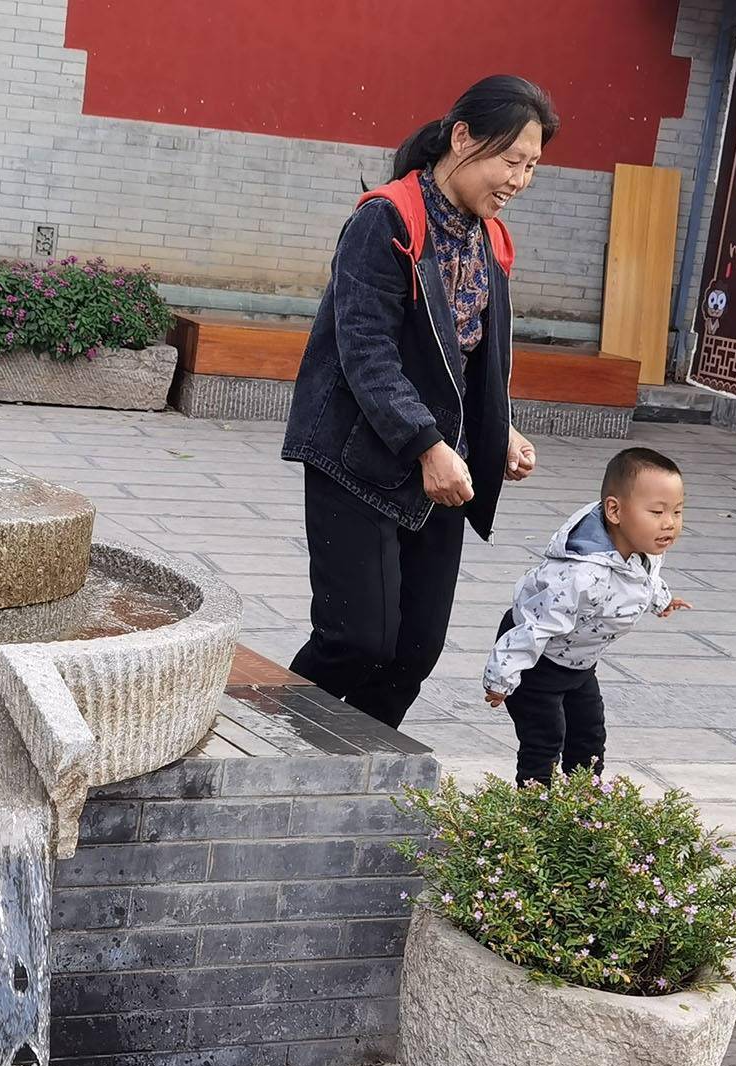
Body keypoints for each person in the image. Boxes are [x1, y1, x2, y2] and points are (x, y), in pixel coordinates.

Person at [283, 75, 558, 727]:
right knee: (357, 639)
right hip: (358, 457)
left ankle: (357, 766)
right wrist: (428, 443)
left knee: (414, 651)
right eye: (510, 160)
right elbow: (365, 349)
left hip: (440, 469)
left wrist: (501, 431)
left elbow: (467, 356)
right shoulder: (387, 218)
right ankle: (272, 738)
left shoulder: (489, 239)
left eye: (532, 166)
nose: (519, 179)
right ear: (462, 137)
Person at [482, 446, 694, 786]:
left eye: (678, 511)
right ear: (614, 510)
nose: (669, 523)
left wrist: (662, 601)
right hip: (538, 663)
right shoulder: (581, 577)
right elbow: (534, 628)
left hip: (579, 665)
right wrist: (501, 678)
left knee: (588, 739)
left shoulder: (644, 550)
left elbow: (643, 579)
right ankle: (533, 816)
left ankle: (584, 811)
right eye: (657, 511)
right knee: (546, 740)